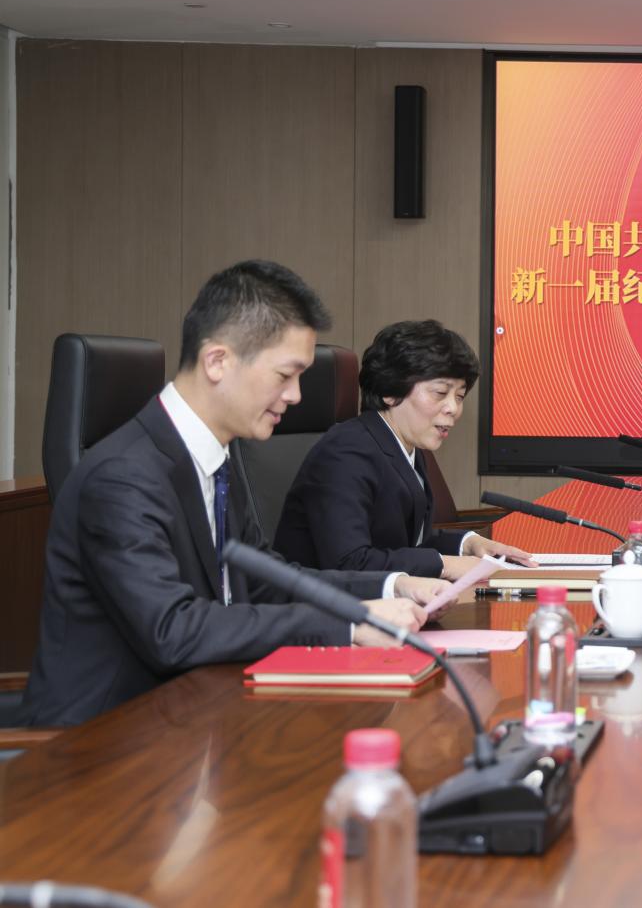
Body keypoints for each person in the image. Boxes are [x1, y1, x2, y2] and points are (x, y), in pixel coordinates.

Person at [23, 261, 452, 727]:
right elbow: (172, 630)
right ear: (218, 361)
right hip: (105, 740)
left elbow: (265, 581)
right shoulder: (122, 477)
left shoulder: (214, 459)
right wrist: (347, 624)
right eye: (285, 375)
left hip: (197, 714)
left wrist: (391, 586)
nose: (295, 395)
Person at [274, 319, 531, 578]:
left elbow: (406, 544)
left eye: (460, 396)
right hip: (318, 600)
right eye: (440, 393)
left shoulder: (405, 445)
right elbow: (350, 562)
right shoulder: (345, 453)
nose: (453, 408)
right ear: (390, 391)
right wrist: (445, 565)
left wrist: (468, 544)